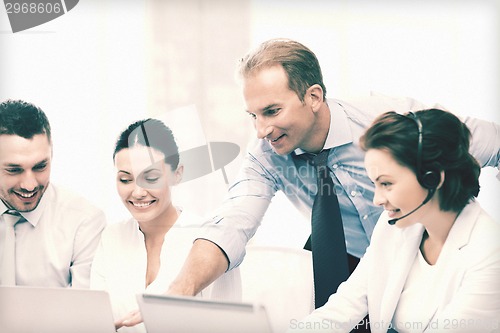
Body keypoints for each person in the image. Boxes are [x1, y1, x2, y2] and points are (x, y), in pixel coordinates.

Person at [119, 39, 500, 329]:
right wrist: (180, 293)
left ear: (313, 97)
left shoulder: (393, 124)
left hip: (431, 248)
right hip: (361, 259)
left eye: (271, 111)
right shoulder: (266, 154)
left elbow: (490, 144)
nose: (261, 129)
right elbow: (231, 225)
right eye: (252, 114)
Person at [287, 108, 500, 332]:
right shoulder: (394, 226)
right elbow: (344, 306)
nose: (377, 200)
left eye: (386, 184)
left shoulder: (490, 254)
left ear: (432, 177)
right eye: (375, 184)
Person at [90, 119, 241, 333]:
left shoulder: (211, 241)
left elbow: (228, 326)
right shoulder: (112, 237)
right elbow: (98, 322)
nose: (138, 192)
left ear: (177, 174)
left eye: (151, 178)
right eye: (125, 180)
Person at [0, 99, 106, 288]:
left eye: (40, 166)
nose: (29, 185)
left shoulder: (84, 222)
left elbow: (85, 312)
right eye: (14, 170)